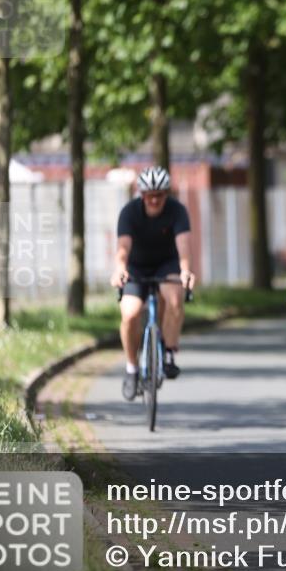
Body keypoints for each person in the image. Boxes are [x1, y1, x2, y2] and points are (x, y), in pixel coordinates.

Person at [109, 166, 196, 401]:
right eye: (150, 195)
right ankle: (131, 369)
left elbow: (184, 246)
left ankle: (168, 352)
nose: (155, 200)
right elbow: (123, 247)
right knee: (130, 314)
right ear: (142, 194)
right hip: (136, 266)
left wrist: (186, 270)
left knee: (175, 299)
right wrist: (120, 269)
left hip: (167, 264)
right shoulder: (129, 212)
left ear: (167, 194)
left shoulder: (177, 211)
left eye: (160, 195)